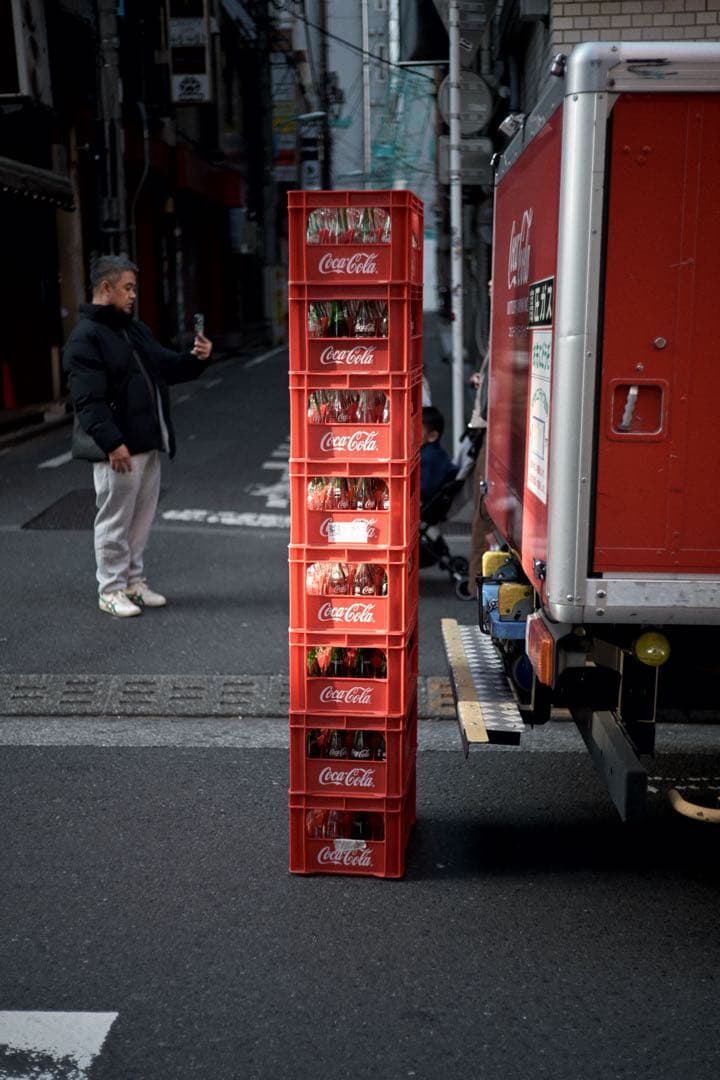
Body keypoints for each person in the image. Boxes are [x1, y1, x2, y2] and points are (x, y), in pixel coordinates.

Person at [63, 255, 213, 617]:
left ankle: (133, 583)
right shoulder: (86, 338)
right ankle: (111, 589)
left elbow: (164, 365)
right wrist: (112, 442)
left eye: (134, 288)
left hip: (146, 444)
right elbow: (87, 400)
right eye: (128, 288)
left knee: (140, 521)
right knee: (114, 520)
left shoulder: (132, 329)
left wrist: (196, 359)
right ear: (105, 288)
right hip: (119, 447)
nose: (133, 295)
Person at [420, 405, 458, 506]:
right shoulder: (436, 454)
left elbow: (424, 489)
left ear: (432, 436)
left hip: (427, 506)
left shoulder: (428, 458)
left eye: (415, 430)